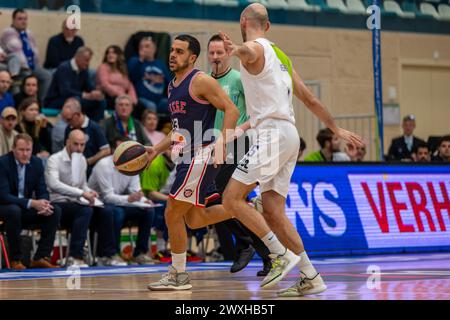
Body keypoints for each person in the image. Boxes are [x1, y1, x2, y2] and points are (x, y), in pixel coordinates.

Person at [219, 3, 363, 296]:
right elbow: (310, 99)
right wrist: (335, 128)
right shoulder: (281, 56)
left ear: (243, 21)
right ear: (269, 25)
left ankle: (278, 253)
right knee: (273, 210)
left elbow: (250, 52)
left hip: (271, 135)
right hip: (289, 136)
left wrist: (236, 50)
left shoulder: (253, 47)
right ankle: (311, 275)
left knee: (231, 198)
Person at [145, 34, 241, 291]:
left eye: (179, 51)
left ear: (192, 57)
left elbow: (232, 110)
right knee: (195, 220)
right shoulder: (172, 85)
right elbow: (178, 130)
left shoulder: (201, 81)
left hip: (202, 153)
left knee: (171, 211)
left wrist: (222, 144)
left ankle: (179, 275)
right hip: (186, 155)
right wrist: (155, 150)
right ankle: (247, 208)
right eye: (172, 50)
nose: (172, 55)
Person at [207, 33, 271, 276]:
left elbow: (258, 111)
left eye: (219, 53)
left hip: (241, 144)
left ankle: (248, 245)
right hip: (216, 146)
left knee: (224, 197)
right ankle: (261, 250)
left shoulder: (238, 79)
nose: (215, 57)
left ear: (228, 54)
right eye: (211, 53)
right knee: (214, 199)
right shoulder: (205, 82)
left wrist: (239, 130)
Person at [88, 137, 155, 265]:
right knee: (117, 212)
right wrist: (129, 199)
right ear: (114, 150)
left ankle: (140, 253)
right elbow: (107, 197)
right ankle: (112, 254)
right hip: (99, 204)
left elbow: (135, 189)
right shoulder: (103, 165)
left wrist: (144, 200)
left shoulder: (132, 164)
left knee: (148, 211)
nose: (126, 153)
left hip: (120, 202)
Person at [0, 133, 61, 270]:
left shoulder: (37, 163)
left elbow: (42, 190)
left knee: (54, 210)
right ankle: (16, 259)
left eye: (28, 150)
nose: (25, 154)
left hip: (24, 209)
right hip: (5, 208)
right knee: (13, 210)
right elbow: (3, 196)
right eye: (21, 150)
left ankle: (41, 257)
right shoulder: (3, 163)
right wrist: (32, 203)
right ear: (13, 149)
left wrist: (44, 203)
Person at [45, 129, 102, 267]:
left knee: (104, 212)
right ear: (67, 142)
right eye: (76, 144)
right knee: (85, 211)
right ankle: (75, 256)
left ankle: (104, 255)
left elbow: (83, 185)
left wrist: (90, 192)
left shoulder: (81, 159)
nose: (79, 148)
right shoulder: (54, 159)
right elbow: (54, 184)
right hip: (57, 203)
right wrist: (81, 193)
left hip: (75, 203)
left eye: (82, 145)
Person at [0, 9, 52, 100]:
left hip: (31, 65)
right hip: (17, 65)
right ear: (13, 20)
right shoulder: (8, 32)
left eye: (25, 19)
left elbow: (34, 52)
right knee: (25, 75)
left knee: (46, 75)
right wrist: (26, 67)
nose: (23, 21)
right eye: (20, 19)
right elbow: (17, 51)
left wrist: (35, 66)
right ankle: (19, 101)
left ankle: (40, 103)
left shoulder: (29, 33)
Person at [44, 46, 106, 122]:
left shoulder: (83, 69)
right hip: (56, 100)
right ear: (78, 57)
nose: (88, 63)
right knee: (76, 101)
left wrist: (95, 93)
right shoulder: (64, 68)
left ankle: (95, 126)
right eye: (86, 60)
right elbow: (65, 92)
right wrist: (85, 95)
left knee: (100, 101)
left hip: (76, 98)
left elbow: (88, 86)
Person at [63, 98, 110, 175]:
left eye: (69, 119)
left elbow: (106, 150)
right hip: (72, 169)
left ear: (77, 115)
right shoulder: (69, 128)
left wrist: (88, 161)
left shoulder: (94, 127)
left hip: (93, 171)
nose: (68, 123)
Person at [128, 37, 171, 114]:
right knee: (151, 106)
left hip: (160, 100)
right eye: (141, 47)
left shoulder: (160, 64)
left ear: (154, 49)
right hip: (142, 99)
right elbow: (132, 78)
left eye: (147, 46)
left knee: (175, 104)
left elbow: (170, 83)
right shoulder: (134, 61)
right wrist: (140, 60)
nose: (143, 49)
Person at [96, 45, 137, 109]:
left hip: (123, 97)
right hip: (108, 96)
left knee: (139, 107)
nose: (110, 55)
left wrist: (133, 99)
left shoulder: (122, 70)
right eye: (108, 53)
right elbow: (105, 85)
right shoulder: (103, 67)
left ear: (119, 55)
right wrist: (121, 94)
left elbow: (129, 86)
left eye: (113, 53)